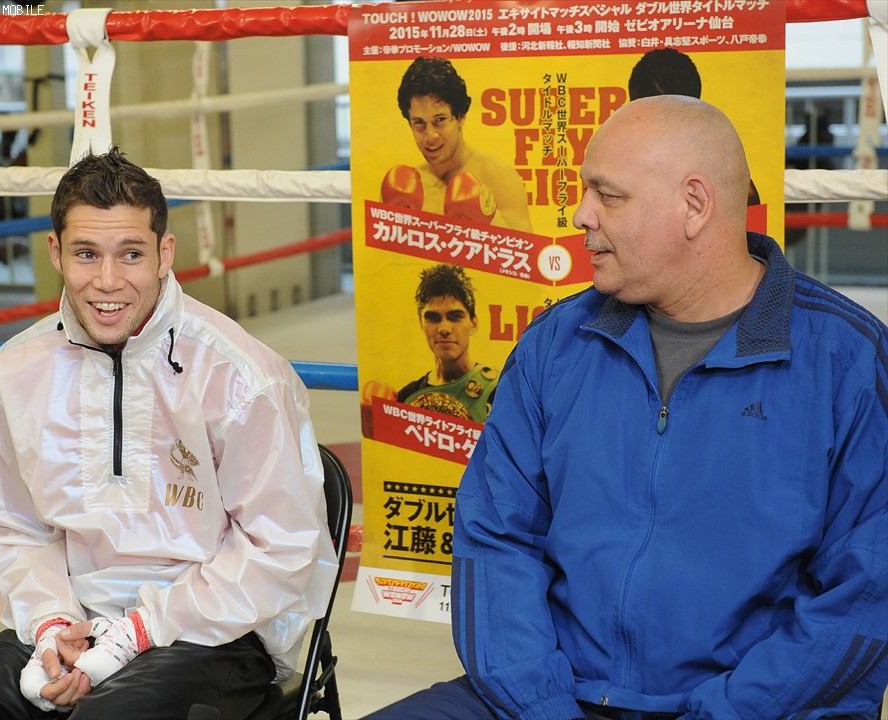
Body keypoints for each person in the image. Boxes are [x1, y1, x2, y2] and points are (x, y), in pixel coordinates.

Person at [363, 96, 887, 719]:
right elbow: (495, 537)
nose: (581, 214)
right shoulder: (556, 343)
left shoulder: (845, 360)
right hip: (555, 695)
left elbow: (865, 596)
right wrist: (544, 708)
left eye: (607, 196)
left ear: (694, 204)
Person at [0, 148, 337, 720]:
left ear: (165, 254)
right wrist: (49, 627)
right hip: (77, 617)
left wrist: (142, 628)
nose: (107, 281)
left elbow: (281, 548)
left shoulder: (241, 376)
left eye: (131, 254)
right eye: (86, 254)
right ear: (55, 252)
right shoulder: (18, 369)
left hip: (215, 631)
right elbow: (17, 529)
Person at [381, 56, 533, 233]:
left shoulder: (499, 178)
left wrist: (490, 218)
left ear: (461, 117)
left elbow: (527, 249)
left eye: (440, 120)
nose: (430, 136)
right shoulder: (401, 186)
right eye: (419, 123)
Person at [627, 48, 761, 206]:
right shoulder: (619, 165)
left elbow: (749, 208)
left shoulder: (728, 176)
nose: (664, 132)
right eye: (654, 121)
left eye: (674, 119)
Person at [396, 263, 498, 424]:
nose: (444, 329)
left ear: (474, 324)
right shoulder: (406, 396)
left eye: (455, 317)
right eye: (433, 318)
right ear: (422, 324)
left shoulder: (497, 390)